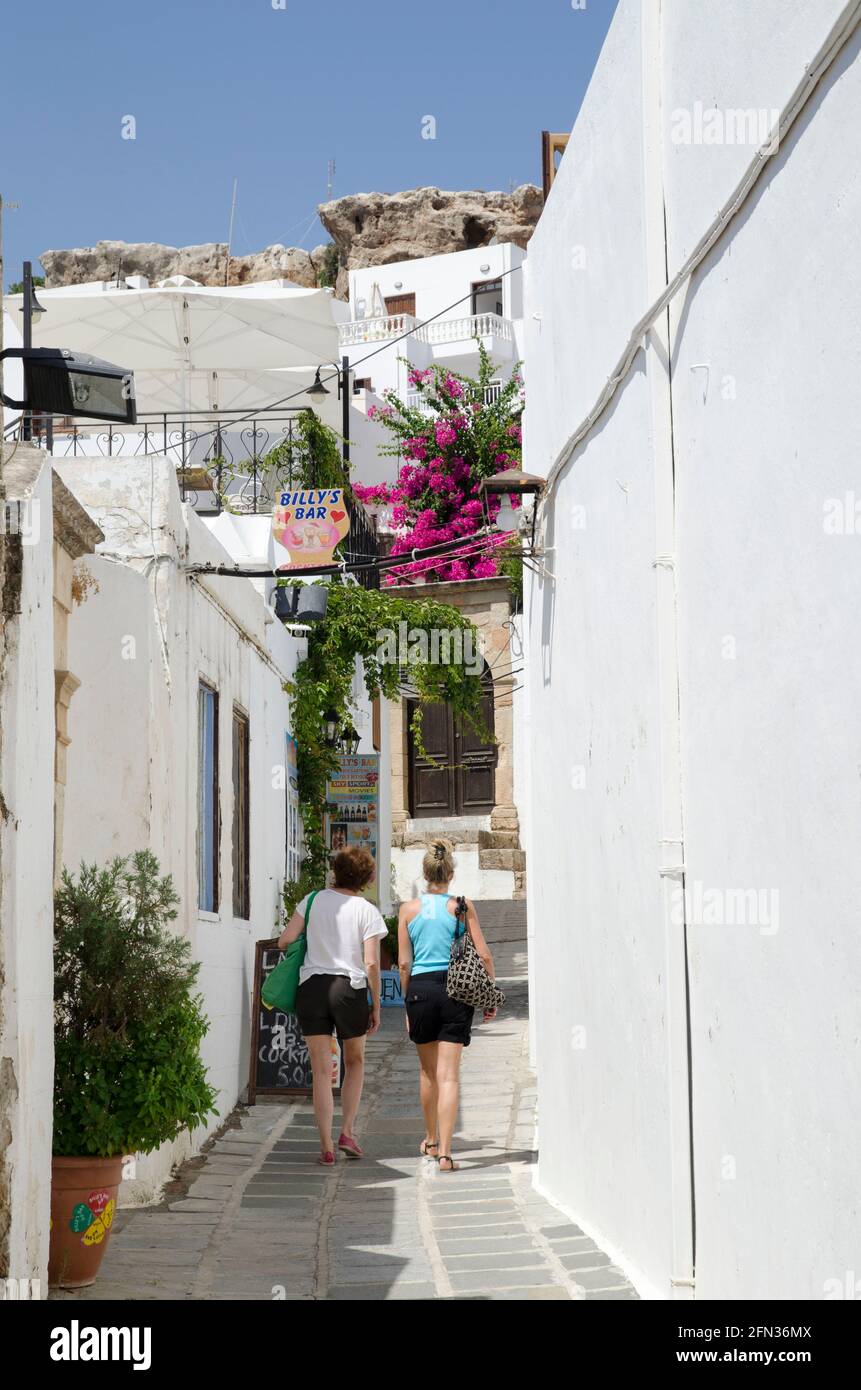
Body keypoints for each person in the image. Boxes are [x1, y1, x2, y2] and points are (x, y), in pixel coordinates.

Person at [278, 846, 385, 1165]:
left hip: (311, 988)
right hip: (348, 990)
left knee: (321, 1071)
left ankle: (325, 1146)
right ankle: (347, 1132)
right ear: (366, 878)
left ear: (335, 872)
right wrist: (375, 1005)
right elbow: (371, 964)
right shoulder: (366, 910)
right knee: (355, 1062)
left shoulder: (311, 901)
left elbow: (285, 940)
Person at [397, 839, 497, 1173]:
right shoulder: (462, 907)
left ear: (424, 874)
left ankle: (431, 1139)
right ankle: (446, 1155)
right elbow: (483, 954)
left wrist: (408, 1003)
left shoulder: (408, 911)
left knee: (427, 1073)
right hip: (455, 991)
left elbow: (403, 964)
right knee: (449, 1075)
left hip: (421, 992)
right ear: (450, 873)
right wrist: (489, 994)